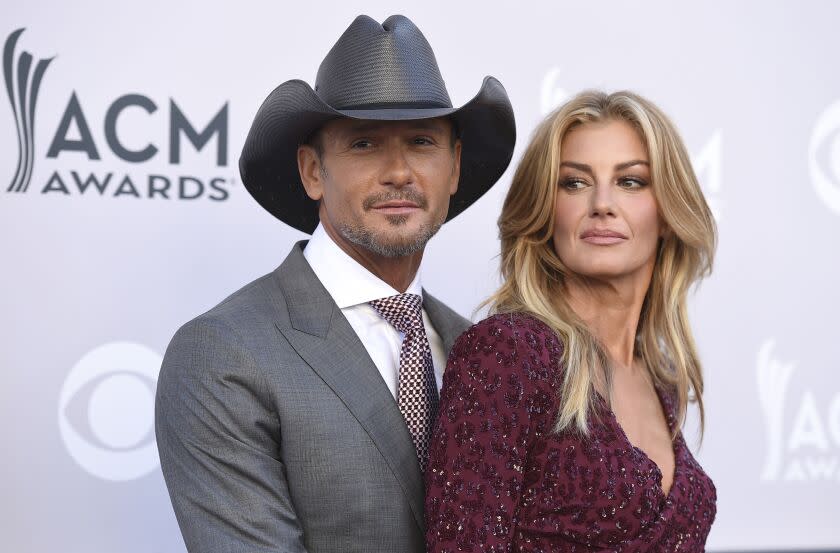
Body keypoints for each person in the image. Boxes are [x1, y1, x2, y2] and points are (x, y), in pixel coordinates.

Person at [155, 14, 515, 553]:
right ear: (312, 171)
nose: (398, 171)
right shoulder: (224, 353)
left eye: (421, 141)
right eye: (365, 144)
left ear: (455, 167)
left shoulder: (479, 351)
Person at [425, 90, 717, 551]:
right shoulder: (510, 354)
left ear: (667, 213)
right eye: (575, 183)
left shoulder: (661, 377)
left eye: (631, 182)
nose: (602, 203)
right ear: (545, 212)